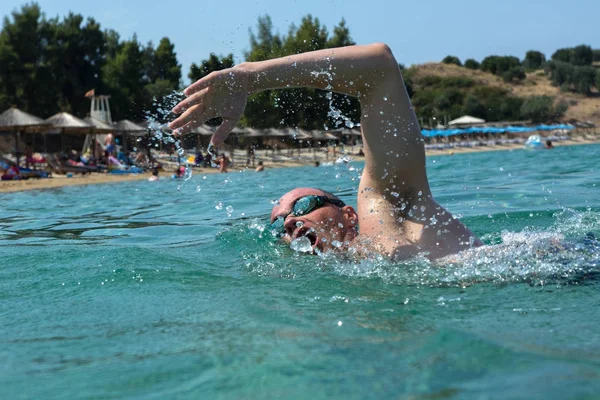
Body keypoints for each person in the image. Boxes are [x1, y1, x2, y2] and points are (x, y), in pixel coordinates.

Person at [169, 43, 482, 260]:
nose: (290, 222)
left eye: (303, 205)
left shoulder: (388, 214)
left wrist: (251, 79)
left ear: (348, 215)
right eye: (278, 225)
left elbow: (379, 68)